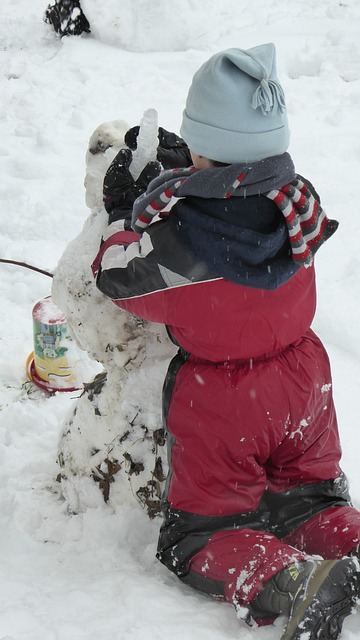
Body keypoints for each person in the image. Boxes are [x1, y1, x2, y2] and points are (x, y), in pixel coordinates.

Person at [92, 43, 360, 639]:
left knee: (200, 535)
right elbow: (238, 199)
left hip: (225, 403)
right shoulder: (300, 205)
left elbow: (115, 275)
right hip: (305, 383)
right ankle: (349, 544)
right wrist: (197, 175)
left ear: (198, 148)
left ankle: (288, 581)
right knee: (309, 503)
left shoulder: (179, 243)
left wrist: (125, 208)